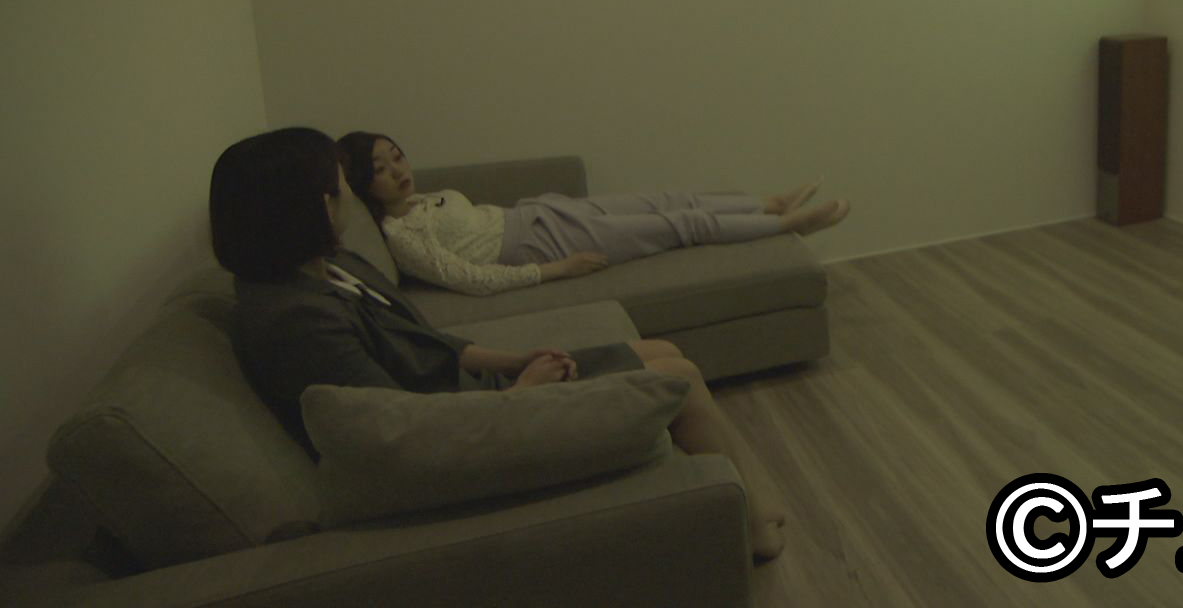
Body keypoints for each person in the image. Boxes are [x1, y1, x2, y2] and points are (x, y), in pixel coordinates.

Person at [210, 127, 791, 560]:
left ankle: (745, 498)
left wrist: (515, 360)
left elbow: (428, 341)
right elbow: (396, 435)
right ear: (319, 205)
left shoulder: (330, 267)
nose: (353, 196)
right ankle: (750, 527)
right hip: (474, 428)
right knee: (679, 379)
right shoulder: (297, 322)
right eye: (343, 186)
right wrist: (520, 393)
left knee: (663, 350)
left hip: (476, 392)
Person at [336, 132, 849, 295]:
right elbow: (472, 279)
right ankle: (786, 226)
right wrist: (558, 269)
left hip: (539, 214)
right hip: (537, 246)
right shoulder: (400, 234)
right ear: (363, 182)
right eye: (380, 168)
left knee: (667, 199)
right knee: (677, 226)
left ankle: (768, 203)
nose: (398, 170)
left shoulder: (423, 199)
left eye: (397, 156)